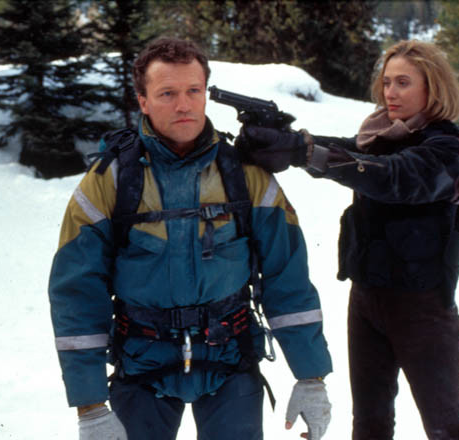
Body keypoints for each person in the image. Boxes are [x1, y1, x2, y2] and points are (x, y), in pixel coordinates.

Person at [48, 37, 332, 440]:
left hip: (231, 360)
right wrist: (90, 406)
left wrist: (311, 377)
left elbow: (289, 280)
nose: (184, 105)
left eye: (193, 91)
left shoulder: (245, 176)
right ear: (143, 101)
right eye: (167, 93)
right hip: (141, 364)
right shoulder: (109, 180)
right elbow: (76, 292)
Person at [237, 40, 459, 439]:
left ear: (432, 88)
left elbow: (392, 176)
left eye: (403, 83)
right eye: (387, 82)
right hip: (366, 300)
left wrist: (305, 152)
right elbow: (354, 153)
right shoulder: (382, 135)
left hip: (422, 309)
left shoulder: (448, 149)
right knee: (368, 423)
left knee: (445, 428)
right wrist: (295, 146)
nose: (390, 92)